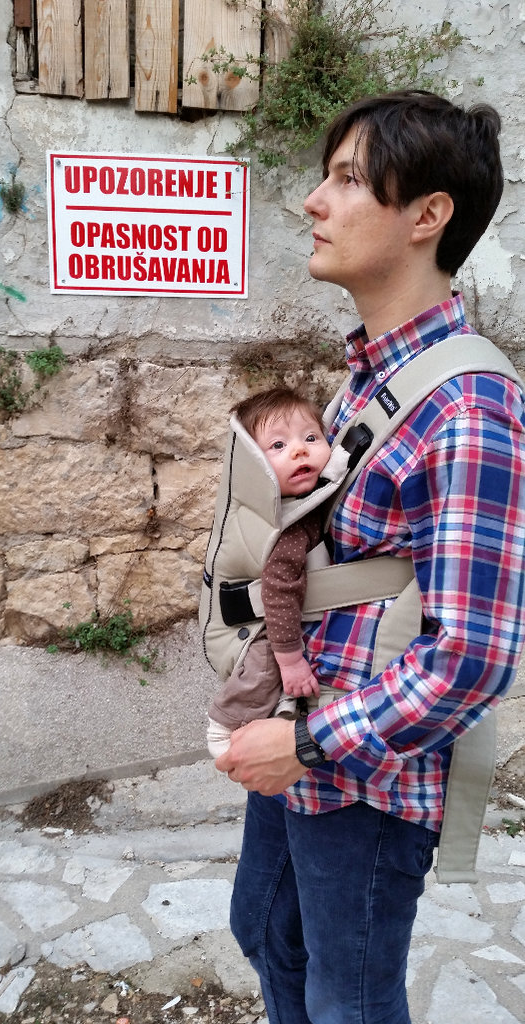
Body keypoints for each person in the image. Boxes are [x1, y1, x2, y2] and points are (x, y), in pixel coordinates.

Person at [215, 90, 525, 1024]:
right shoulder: (370, 378)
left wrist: (306, 741)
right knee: (266, 936)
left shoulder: (468, 409)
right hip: (302, 732)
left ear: (428, 215)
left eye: (347, 179)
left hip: (363, 773)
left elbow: (472, 656)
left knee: (348, 998)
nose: (313, 201)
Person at [207, 387, 334, 757]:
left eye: (311, 438)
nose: (299, 450)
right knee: (265, 668)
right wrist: (291, 659)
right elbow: (279, 591)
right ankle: (223, 725)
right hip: (269, 625)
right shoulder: (289, 527)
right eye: (278, 446)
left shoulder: (298, 503)